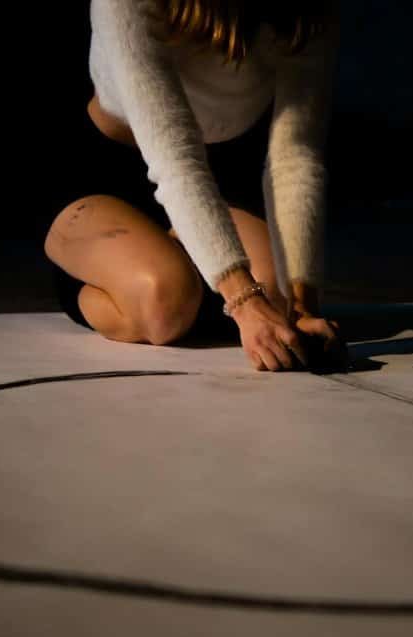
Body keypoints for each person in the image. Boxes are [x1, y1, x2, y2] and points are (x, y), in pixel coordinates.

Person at [44, 0, 347, 372]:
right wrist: (243, 303)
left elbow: (296, 157)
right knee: (163, 301)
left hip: (208, 173)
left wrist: (302, 309)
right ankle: (95, 274)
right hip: (101, 172)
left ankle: (175, 260)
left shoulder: (310, 11)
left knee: (276, 294)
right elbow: (175, 158)